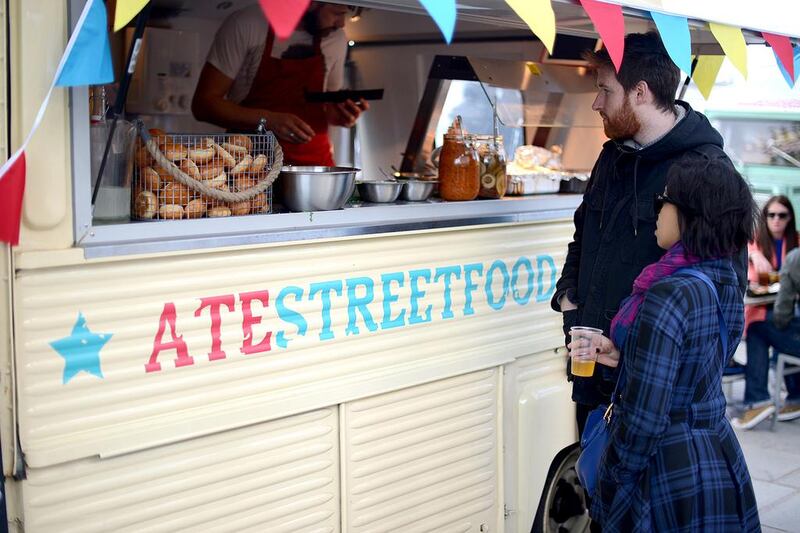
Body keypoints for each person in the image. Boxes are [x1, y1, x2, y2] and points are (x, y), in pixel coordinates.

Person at [551, 31, 747, 437]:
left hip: (652, 398)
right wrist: (571, 301)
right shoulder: (612, 155)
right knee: (596, 490)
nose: (596, 103)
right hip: (592, 377)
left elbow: (726, 303)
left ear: (639, 92)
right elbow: (582, 236)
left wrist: (640, 363)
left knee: (632, 492)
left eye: (605, 90)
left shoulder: (707, 169)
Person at [589, 153, 760, 532]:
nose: (656, 212)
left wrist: (610, 486)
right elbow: (698, 365)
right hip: (716, 454)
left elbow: (644, 420)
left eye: (662, 200)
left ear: (689, 212)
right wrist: (628, 353)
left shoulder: (669, 292)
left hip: (668, 466)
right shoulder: (723, 278)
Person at [192, 3, 369, 166]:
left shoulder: (335, 38)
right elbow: (203, 104)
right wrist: (268, 120)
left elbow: (326, 108)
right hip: (251, 168)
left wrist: (340, 116)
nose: (341, 24)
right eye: (337, 13)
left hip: (313, 167)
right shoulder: (248, 24)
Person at [734, 197, 800, 428]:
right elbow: (751, 275)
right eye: (771, 215)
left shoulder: (796, 245)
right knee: (762, 324)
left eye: (782, 215)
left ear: (790, 218)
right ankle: (791, 396)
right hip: (769, 308)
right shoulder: (757, 243)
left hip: (786, 313)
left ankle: (757, 400)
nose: (776, 220)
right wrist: (754, 254)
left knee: (759, 330)